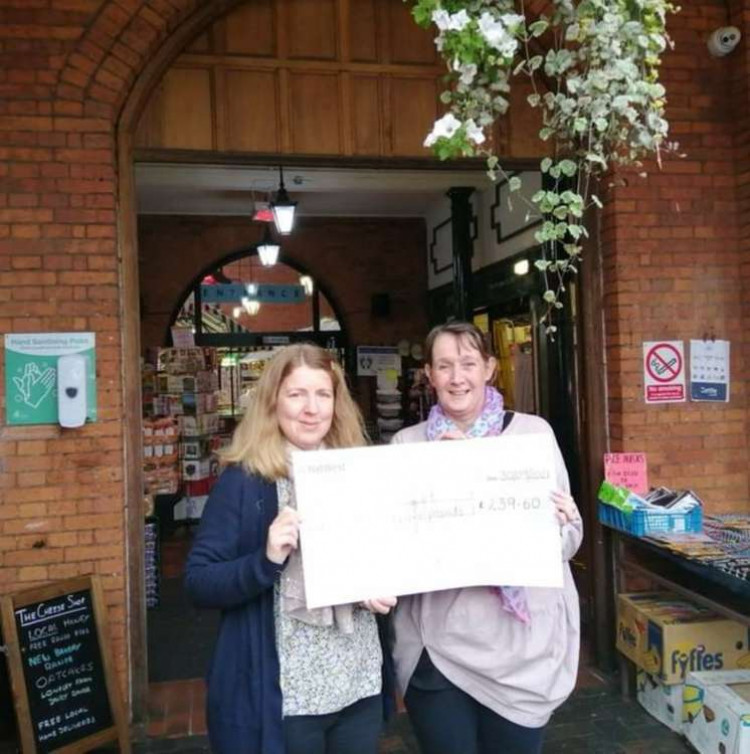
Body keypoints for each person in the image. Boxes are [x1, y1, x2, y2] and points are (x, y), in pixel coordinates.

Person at [185, 343, 396, 754]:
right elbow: (198, 582)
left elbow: (384, 557)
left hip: (358, 681)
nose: (310, 408)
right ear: (273, 402)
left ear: (337, 403)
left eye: (322, 394)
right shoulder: (245, 480)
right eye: (296, 394)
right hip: (287, 697)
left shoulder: (359, 472)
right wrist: (265, 560)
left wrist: (382, 588)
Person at [391, 321, 583, 754]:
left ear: (490, 368)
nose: (457, 377)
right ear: (430, 374)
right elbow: (396, 551)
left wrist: (562, 525)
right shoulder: (407, 446)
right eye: (444, 366)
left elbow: (569, 541)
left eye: (468, 363)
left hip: (522, 653)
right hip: (437, 651)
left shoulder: (533, 435)